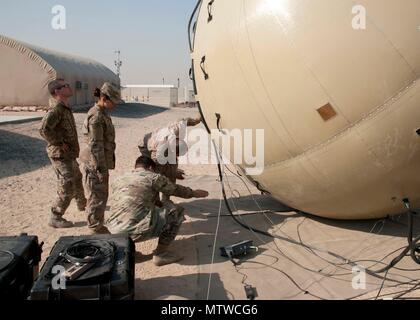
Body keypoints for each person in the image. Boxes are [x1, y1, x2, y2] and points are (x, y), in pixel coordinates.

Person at [106, 156, 209, 266]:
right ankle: (161, 254)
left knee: (132, 213)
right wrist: (194, 193)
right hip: (133, 231)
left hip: (113, 231)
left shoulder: (120, 178)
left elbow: (137, 198)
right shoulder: (153, 177)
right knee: (175, 211)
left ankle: (129, 252)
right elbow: (175, 190)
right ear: (150, 167)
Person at [40, 79, 87, 229]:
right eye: (65, 86)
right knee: (66, 185)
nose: (69, 87)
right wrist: (60, 143)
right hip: (60, 154)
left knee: (77, 177)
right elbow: (44, 130)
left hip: (69, 154)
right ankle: (56, 216)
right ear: (57, 92)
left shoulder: (65, 108)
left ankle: (82, 203)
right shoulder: (56, 110)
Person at [80, 82, 122, 234]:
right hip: (95, 164)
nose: (115, 105)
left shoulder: (102, 113)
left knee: (100, 196)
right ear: (104, 98)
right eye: (113, 102)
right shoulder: (96, 116)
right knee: (96, 197)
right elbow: (95, 145)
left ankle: (97, 225)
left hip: (99, 162)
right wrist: (100, 170)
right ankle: (95, 228)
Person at [138, 117, 202, 200]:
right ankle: (155, 200)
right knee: (153, 174)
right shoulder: (158, 153)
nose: (177, 157)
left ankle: (166, 198)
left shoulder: (176, 129)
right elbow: (156, 170)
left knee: (171, 167)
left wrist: (197, 120)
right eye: (177, 155)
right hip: (145, 145)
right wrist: (172, 173)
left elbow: (184, 121)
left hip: (161, 142)